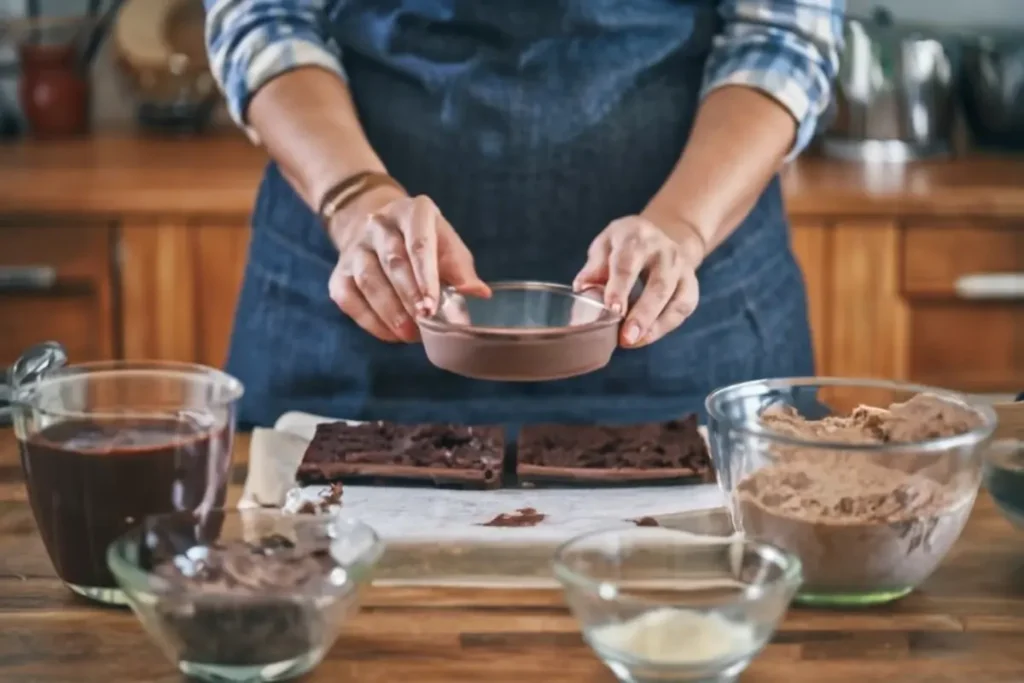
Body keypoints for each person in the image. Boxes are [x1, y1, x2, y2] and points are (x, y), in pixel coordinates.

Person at [203, 0, 844, 428]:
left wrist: (681, 228)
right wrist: (355, 198)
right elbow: (266, 17)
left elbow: (781, 36)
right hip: (354, 327)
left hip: (687, 338)